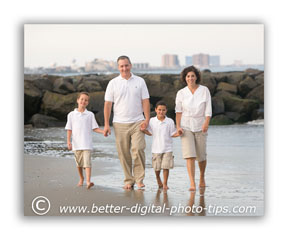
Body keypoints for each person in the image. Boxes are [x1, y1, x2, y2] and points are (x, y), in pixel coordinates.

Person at [103, 56, 150, 190]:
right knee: (124, 153)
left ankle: (139, 179)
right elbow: (107, 105)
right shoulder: (113, 83)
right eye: (121, 66)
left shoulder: (140, 81)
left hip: (138, 122)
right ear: (118, 67)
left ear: (131, 65)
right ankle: (129, 180)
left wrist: (146, 119)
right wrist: (106, 124)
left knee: (139, 149)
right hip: (119, 123)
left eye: (126, 65)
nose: (124, 68)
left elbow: (145, 101)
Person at [175, 65, 212, 191]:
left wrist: (206, 123)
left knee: (201, 156)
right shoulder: (181, 93)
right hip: (185, 126)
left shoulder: (204, 90)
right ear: (185, 78)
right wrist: (178, 126)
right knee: (189, 155)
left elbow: (208, 109)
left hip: (201, 125)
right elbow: (178, 111)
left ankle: (202, 177)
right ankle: (192, 183)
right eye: (188, 76)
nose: (190, 78)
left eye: (192, 76)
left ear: (196, 77)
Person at [65, 92, 104, 189]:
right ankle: (81, 178)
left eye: (86, 100)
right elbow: (69, 129)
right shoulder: (71, 115)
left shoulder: (90, 115)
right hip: (76, 144)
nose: (83, 101)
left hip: (87, 144)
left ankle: (88, 181)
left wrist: (103, 132)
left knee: (87, 163)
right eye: (82, 99)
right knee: (79, 164)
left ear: (87, 103)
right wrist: (68, 141)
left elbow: (94, 128)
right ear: (77, 100)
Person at [142, 101, 179, 190]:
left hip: (167, 148)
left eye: (163, 110)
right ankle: (158, 178)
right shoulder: (152, 121)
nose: (161, 112)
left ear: (166, 111)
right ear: (155, 110)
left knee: (166, 167)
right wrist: (143, 130)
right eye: (159, 110)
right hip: (156, 148)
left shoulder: (169, 121)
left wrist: (179, 134)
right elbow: (150, 133)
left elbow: (173, 133)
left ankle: (165, 183)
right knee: (157, 167)